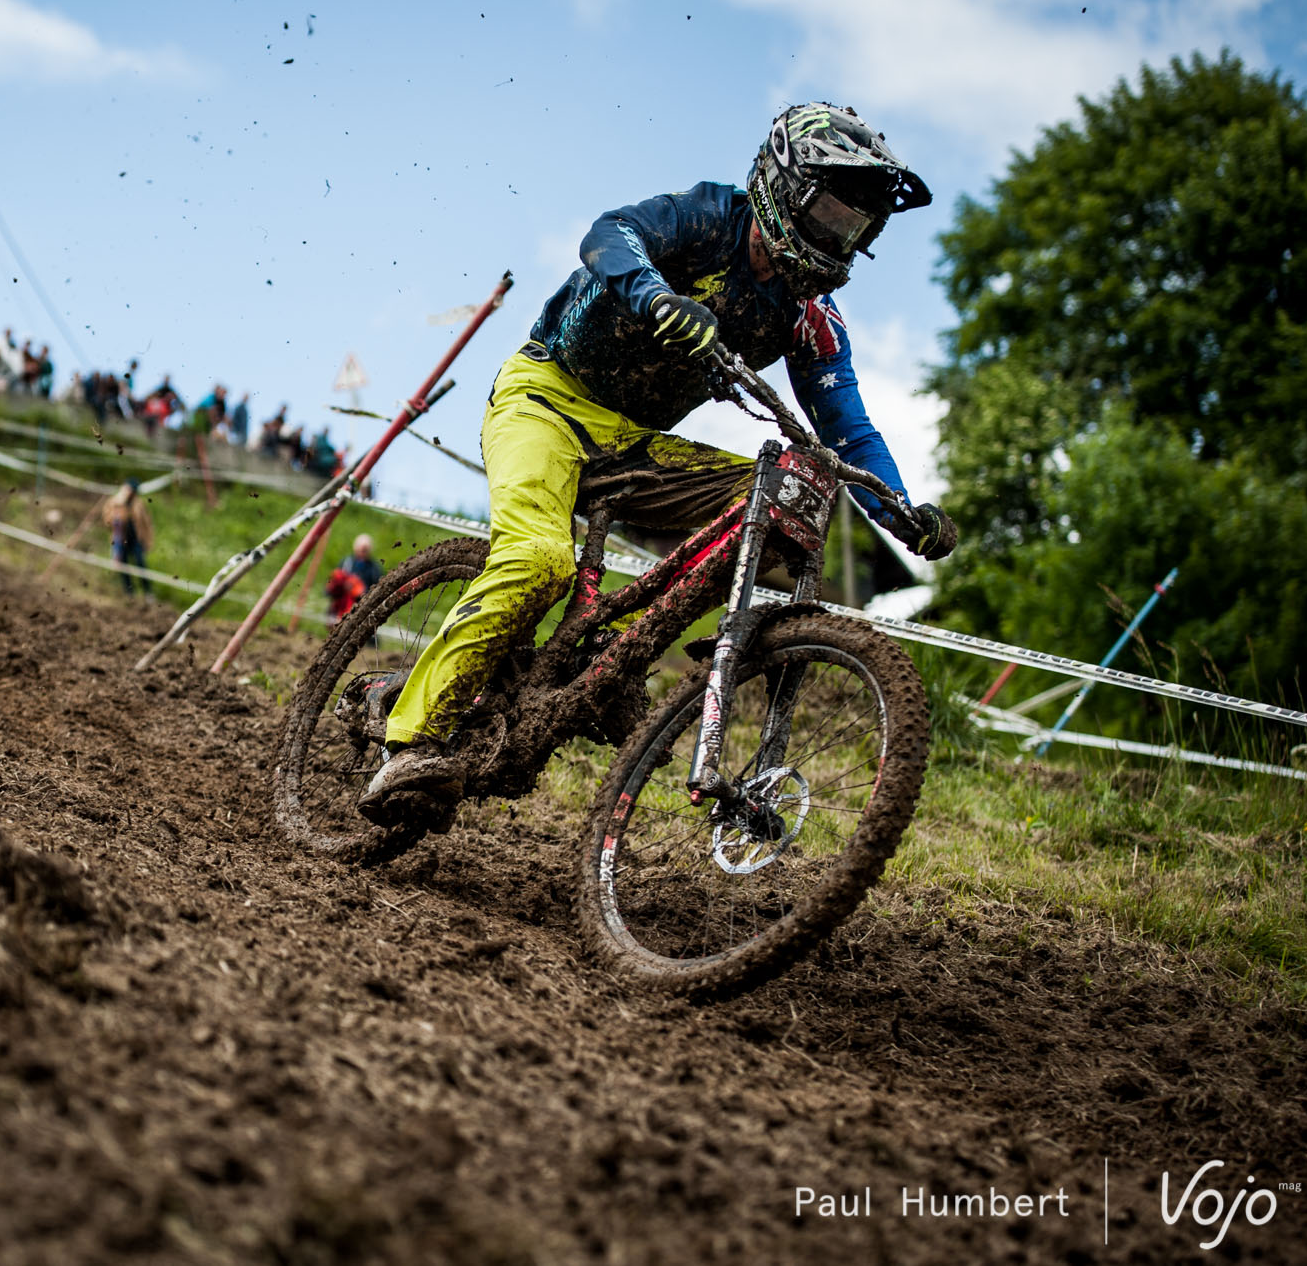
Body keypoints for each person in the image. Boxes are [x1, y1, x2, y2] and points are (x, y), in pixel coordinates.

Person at [360, 102, 959, 818]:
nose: (837, 235)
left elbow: (847, 431)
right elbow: (611, 232)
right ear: (785, 185)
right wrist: (656, 295)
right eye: (830, 212)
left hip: (635, 442)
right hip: (546, 397)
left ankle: (617, 653)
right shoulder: (712, 218)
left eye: (854, 226)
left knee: (784, 498)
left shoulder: (810, 317)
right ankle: (411, 739)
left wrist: (901, 512)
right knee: (540, 561)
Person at [102, 479, 154, 596]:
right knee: (123, 566)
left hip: (136, 539)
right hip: (121, 540)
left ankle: (147, 592)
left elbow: (146, 523)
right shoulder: (114, 503)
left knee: (141, 564)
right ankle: (129, 593)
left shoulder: (139, 504)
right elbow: (108, 521)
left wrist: (148, 540)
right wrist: (120, 506)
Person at [326, 534, 385, 621]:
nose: (362, 552)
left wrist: (361, 592)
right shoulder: (346, 562)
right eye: (361, 549)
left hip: (362, 608)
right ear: (355, 548)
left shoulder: (374, 569)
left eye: (365, 550)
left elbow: (378, 590)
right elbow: (332, 584)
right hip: (341, 606)